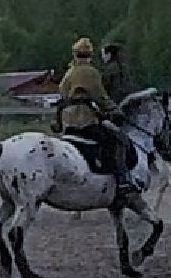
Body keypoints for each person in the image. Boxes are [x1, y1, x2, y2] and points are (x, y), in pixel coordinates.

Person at [56, 37, 136, 198]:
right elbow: (100, 97)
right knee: (118, 139)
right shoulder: (91, 72)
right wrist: (115, 111)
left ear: (75, 54)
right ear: (90, 55)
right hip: (85, 121)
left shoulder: (69, 73)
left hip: (67, 122)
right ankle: (123, 180)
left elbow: (62, 92)